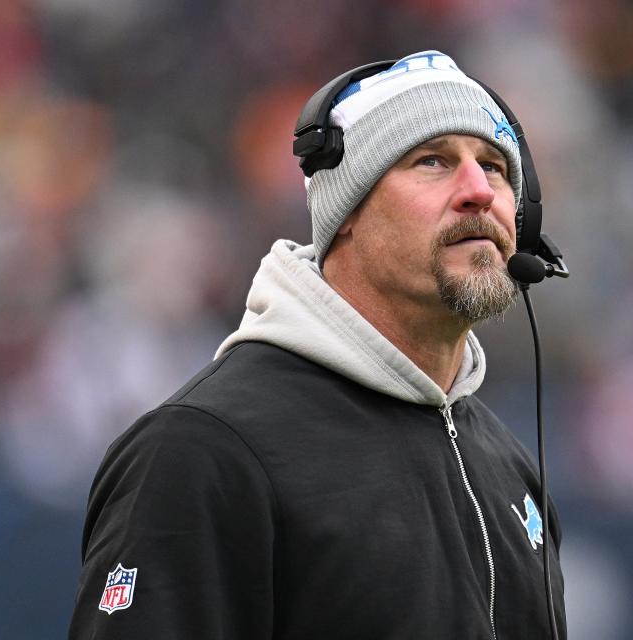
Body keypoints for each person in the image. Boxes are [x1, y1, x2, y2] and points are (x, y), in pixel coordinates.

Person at [67, 50, 567, 639]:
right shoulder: (203, 448)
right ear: (346, 210)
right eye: (432, 160)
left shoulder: (507, 463)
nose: (479, 190)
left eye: (496, 166)